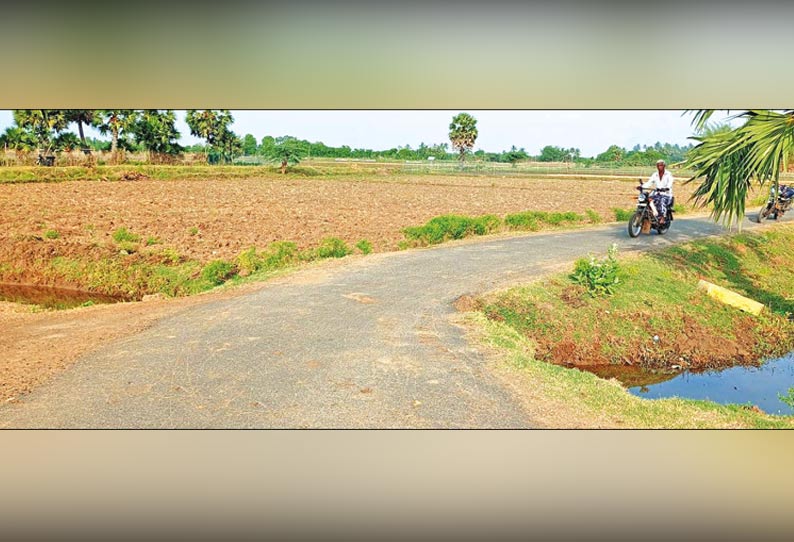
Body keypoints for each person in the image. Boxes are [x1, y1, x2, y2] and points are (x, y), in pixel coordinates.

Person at [642, 159, 674, 224]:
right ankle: (654, 212)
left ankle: (662, 217)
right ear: (657, 166)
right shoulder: (655, 174)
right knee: (649, 199)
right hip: (657, 193)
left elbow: (670, 182)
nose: (660, 167)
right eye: (658, 165)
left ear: (664, 166)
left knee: (662, 201)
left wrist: (667, 188)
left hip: (666, 194)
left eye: (661, 165)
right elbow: (649, 182)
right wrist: (642, 186)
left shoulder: (668, 174)